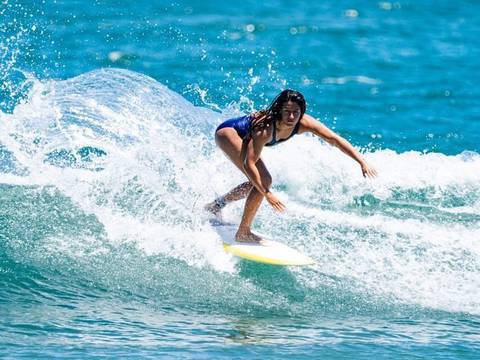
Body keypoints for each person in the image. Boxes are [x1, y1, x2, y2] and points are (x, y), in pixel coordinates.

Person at [205, 89, 377, 243]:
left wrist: (361, 161)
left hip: (245, 137)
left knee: (256, 183)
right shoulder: (265, 129)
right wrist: (268, 194)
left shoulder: (304, 123)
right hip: (229, 133)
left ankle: (217, 205)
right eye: (287, 112)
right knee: (263, 180)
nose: (291, 117)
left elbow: (333, 139)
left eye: (296, 112)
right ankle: (243, 232)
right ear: (279, 111)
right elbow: (248, 163)